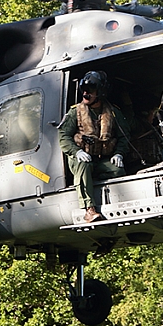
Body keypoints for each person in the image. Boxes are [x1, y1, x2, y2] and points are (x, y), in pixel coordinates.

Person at [58, 71, 127, 223]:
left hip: (101, 159)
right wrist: (76, 152)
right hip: (81, 157)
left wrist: (119, 153)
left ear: (100, 92)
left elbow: (124, 136)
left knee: (118, 170)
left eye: (90, 90)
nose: (86, 93)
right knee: (83, 166)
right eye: (84, 90)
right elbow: (63, 136)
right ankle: (89, 209)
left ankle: (92, 181)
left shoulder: (113, 112)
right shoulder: (75, 112)